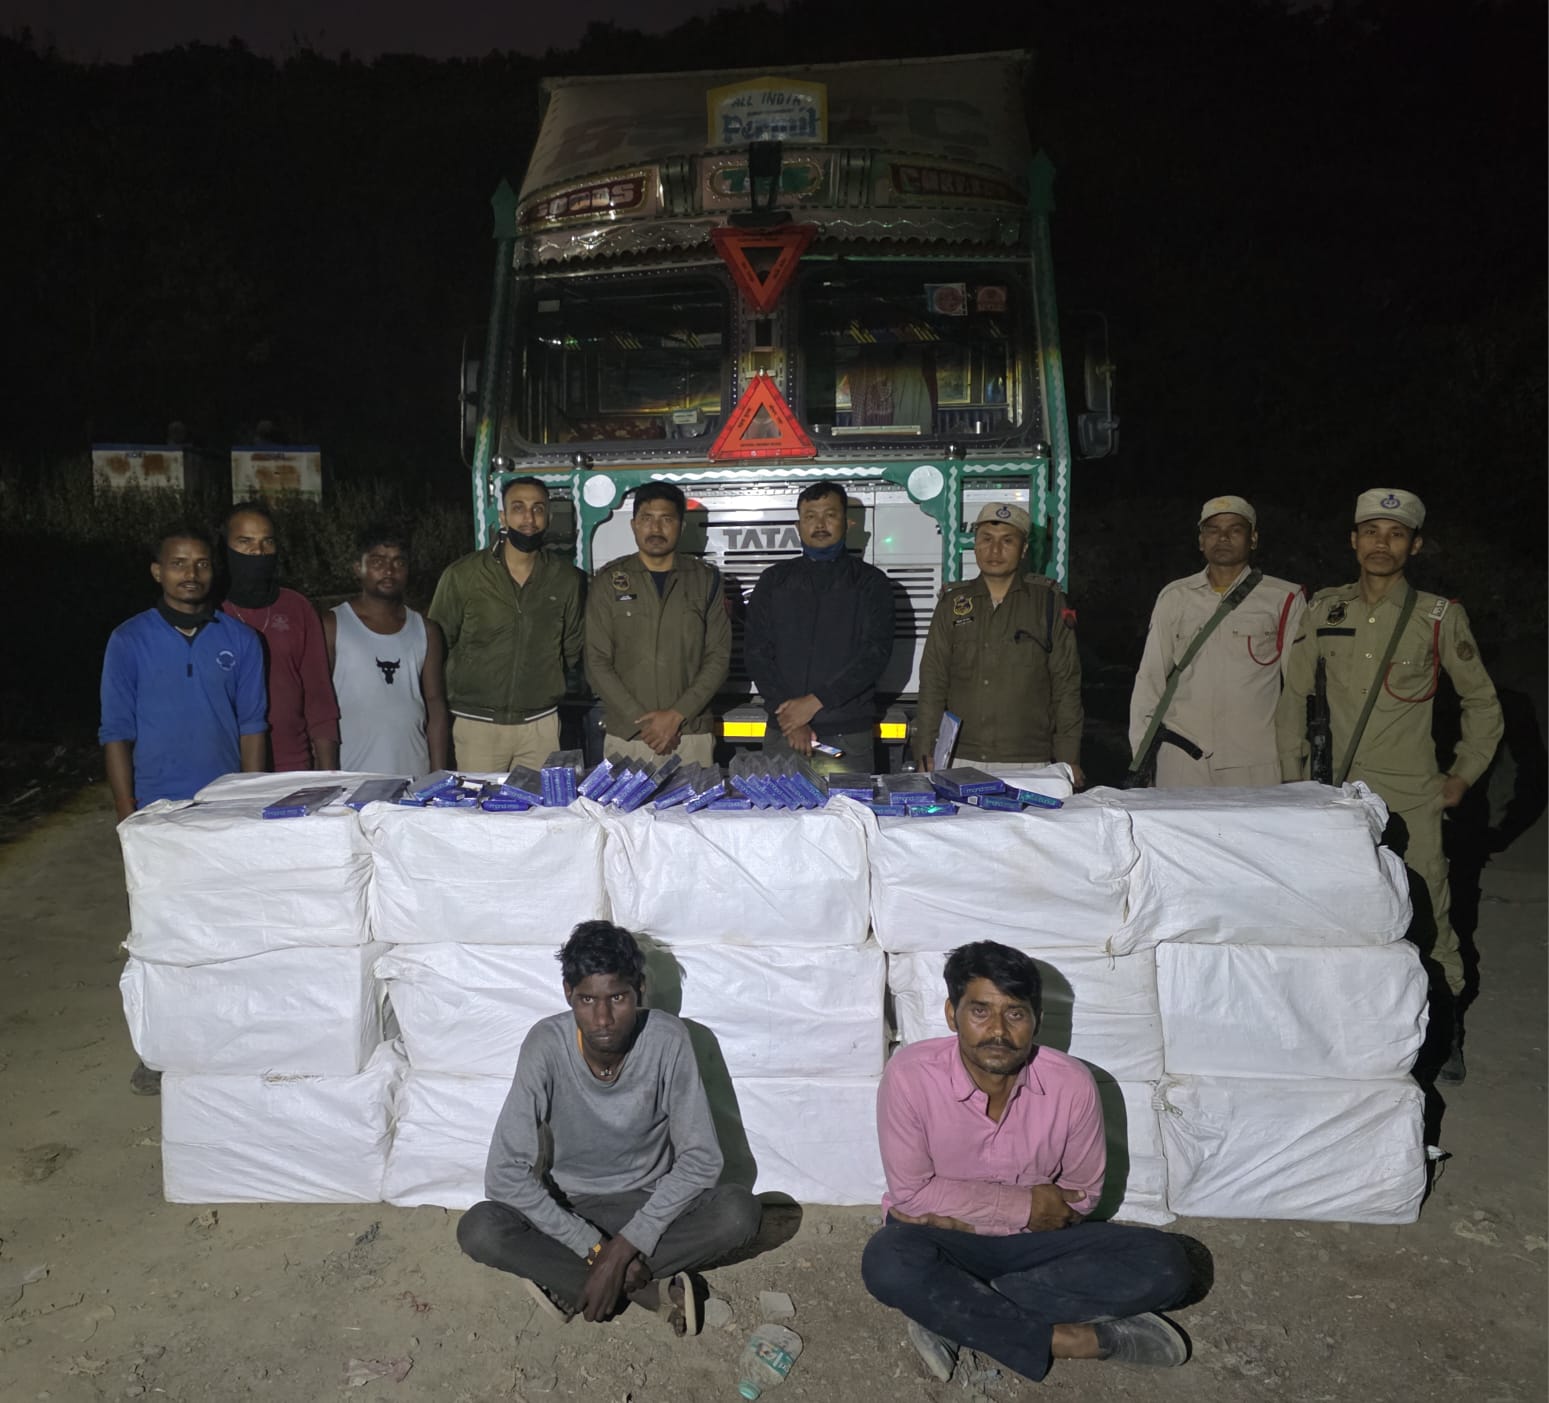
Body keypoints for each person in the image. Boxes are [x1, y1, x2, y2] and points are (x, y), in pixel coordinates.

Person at [861, 940, 1194, 1385]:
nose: (998, 1030)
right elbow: (912, 1194)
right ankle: (1071, 1339)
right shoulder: (909, 1075)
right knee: (887, 1260)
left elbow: (1083, 1196)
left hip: (1033, 1244)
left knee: (1167, 1263)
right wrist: (1025, 1207)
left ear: (1037, 1019)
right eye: (980, 1011)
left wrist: (966, 1213)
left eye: (1015, 1013)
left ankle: (952, 1312)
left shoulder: (1071, 1084)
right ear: (952, 1014)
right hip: (944, 1240)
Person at [1275, 489, 1502, 1083]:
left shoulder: (1437, 616)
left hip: (1410, 793)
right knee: (1335, 911)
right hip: (1334, 793)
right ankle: (1351, 1025)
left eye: (1396, 534)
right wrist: (1293, 784)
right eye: (1371, 532)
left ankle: (1443, 1028)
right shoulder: (1325, 610)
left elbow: (1482, 702)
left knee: (1429, 912)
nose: (1382, 544)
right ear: (1353, 541)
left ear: (1415, 546)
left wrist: (1462, 774)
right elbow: (1293, 699)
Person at [456, 921, 761, 1331]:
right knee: (480, 1229)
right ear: (568, 993)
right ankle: (645, 1289)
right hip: (570, 1206)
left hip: (651, 1202)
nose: (602, 1019)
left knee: (739, 1213)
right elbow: (503, 1174)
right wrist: (594, 1247)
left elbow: (702, 1159)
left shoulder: (668, 1040)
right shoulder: (546, 1045)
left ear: (640, 990)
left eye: (617, 998)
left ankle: (571, 1281)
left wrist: (620, 1251)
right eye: (587, 1000)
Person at [100, 525, 268, 1095]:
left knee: (224, 931)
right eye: (178, 563)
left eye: (200, 564)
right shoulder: (129, 640)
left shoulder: (240, 640)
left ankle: (223, 1042)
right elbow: (115, 732)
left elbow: (253, 726)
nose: (190, 574)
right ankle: (157, 1050)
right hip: (157, 814)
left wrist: (250, 801)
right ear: (158, 571)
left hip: (222, 811)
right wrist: (127, 812)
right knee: (158, 936)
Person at [1129, 495, 1305, 786]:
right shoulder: (1175, 597)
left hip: (1255, 761)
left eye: (1235, 529)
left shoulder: (1283, 598)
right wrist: (1142, 756)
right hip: (1181, 759)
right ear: (1201, 540)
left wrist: (1293, 764)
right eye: (1213, 530)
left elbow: (1297, 692)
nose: (1223, 537)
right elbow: (1150, 679)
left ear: (1253, 539)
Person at [913, 503, 1084, 783]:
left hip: (1030, 762)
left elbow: (1066, 686)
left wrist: (1069, 759)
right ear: (975, 546)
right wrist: (925, 751)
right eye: (986, 540)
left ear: (1024, 549)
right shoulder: (952, 603)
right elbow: (933, 682)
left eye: (1007, 541)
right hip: (960, 758)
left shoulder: (1049, 602)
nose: (995, 550)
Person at [429, 476, 584, 773]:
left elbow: (571, 647)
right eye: (518, 508)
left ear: (549, 517)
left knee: (539, 804)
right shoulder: (464, 575)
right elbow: (437, 643)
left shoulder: (567, 579)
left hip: (541, 726)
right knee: (479, 803)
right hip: (478, 725)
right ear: (503, 516)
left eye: (538, 509)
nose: (529, 518)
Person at [743, 480, 893, 774]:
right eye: (810, 516)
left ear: (847, 523)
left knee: (848, 806)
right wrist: (791, 716)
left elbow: (875, 654)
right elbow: (756, 652)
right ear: (798, 526)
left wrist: (815, 702)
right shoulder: (774, 581)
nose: (820, 525)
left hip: (847, 735)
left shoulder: (871, 583)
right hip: (784, 732)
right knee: (780, 806)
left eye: (830, 515)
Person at [585, 483, 730, 767]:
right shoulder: (608, 581)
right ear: (634, 525)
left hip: (689, 733)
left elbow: (718, 657)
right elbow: (596, 661)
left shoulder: (705, 580)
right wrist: (643, 722)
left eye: (666, 519)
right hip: (628, 735)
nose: (656, 528)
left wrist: (676, 715)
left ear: (681, 526)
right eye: (647, 518)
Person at [219, 502, 341, 771]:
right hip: (223, 768)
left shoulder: (297, 607)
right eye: (245, 542)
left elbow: (319, 694)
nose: (258, 552)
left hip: (292, 765)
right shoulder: (212, 611)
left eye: (267, 542)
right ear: (224, 547)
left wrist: (328, 772)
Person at [323, 525, 451, 775]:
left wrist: (438, 774)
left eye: (398, 562)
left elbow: (435, 705)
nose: (389, 571)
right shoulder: (333, 625)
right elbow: (319, 707)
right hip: (352, 774)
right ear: (357, 568)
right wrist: (328, 775)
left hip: (414, 772)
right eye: (378, 562)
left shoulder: (426, 630)